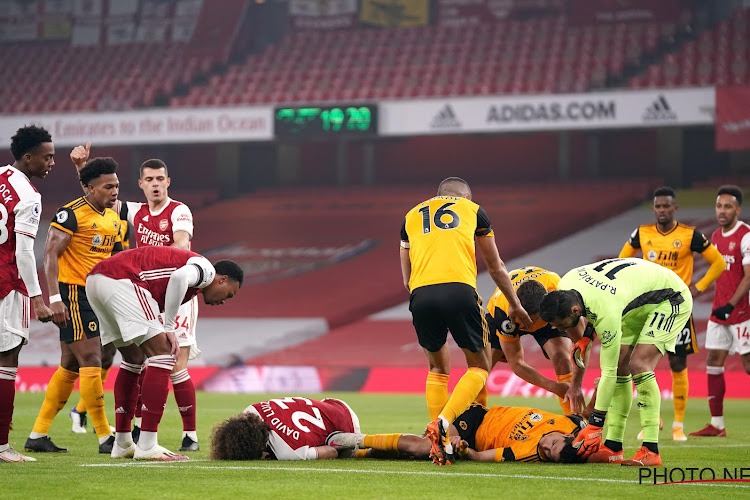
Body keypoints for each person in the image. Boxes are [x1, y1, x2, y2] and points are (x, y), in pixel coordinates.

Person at [70, 144, 200, 453]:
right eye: (149, 179)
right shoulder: (133, 211)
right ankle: (142, 429)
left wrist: (171, 257)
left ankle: (190, 435)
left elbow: (182, 245)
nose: (155, 184)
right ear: (140, 184)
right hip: (146, 296)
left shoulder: (178, 211)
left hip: (177, 293)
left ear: (168, 182)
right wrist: (82, 170)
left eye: (160, 178)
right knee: (141, 360)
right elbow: (96, 199)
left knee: (175, 362)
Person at [399, 177, 532, 465]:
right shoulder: (474, 211)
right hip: (459, 290)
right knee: (480, 366)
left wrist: (420, 296)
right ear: (465, 197)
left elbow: (406, 275)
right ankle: (445, 423)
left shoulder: (411, 216)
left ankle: (437, 439)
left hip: (420, 294)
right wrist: (516, 304)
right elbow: (495, 266)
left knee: (437, 368)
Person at [85, 245, 243, 461]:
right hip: (123, 280)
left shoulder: (194, 285)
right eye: (230, 295)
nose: (224, 300)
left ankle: (122, 442)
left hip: (96, 281)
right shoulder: (205, 270)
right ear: (222, 279)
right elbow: (179, 277)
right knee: (164, 355)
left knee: (133, 359)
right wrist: (169, 326)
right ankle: (148, 444)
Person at [540, 257, 692, 467]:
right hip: (632, 302)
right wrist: (586, 335)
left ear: (574, 311)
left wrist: (595, 424)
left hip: (670, 298)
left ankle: (651, 450)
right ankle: (613, 447)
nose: (558, 329)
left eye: (560, 324)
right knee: (622, 368)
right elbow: (592, 305)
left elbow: (607, 373)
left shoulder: (607, 312)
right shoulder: (566, 285)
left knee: (638, 365)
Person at [25, 157, 122, 455]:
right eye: (108, 187)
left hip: (97, 294)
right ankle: (106, 436)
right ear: (91, 188)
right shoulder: (71, 214)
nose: (115, 191)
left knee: (69, 364)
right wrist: (54, 299)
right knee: (92, 356)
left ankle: (38, 434)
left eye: (117, 185)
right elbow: (50, 254)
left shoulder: (112, 215)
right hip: (73, 293)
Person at [618, 186, 725, 441]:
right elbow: (623, 261)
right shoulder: (641, 234)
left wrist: (697, 288)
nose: (662, 210)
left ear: (675, 208)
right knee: (639, 364)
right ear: (654, 209)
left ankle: (678, 424)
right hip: (647, 308)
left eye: (666, 206)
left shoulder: (690, 235)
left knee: (678, 364)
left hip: (676, 308)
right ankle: (653, 419)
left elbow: (718, 262)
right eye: (658, 206)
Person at [0, 126, 55, 463]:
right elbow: (24, 252)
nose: (51, 163)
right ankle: (1, 446)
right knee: (7, 360)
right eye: (47, 156)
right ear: (28, 156)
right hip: (7, 283)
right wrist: (37, 296)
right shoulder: (29, 196)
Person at [327, 402, 587, 464]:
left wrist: (462, 447)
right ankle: (357, 444)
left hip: (469, 438)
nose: (545, 447)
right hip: (477, 415)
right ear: (566, 436)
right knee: (425, 446)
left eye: (548, 454)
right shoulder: (573, 425)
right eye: (551, 443)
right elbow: (593, 421)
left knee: (422, 449)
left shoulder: (526, 453)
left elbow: (478, 456)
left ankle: (359, 447)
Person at [483, 266, 585, 415]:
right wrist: (554, 387)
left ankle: (575, 421)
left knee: (562, 358)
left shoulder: (559, 293)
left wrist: (575, 384)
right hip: (507, 317)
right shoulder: (504, 312)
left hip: (545, 314)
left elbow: (581, 342)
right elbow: (517, 364)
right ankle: (470, 420)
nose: (526, 326)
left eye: (530, 321)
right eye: (522, 320)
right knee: (481, 370)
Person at [690, 185, 750, 437]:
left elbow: (748, 277)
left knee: (748, 365)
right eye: (719, 206)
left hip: (741, 312)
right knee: (714, 361)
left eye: (727, 206)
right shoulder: (714, 236)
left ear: (738, 209)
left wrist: (731, 304)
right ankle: (717, 424)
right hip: (719, 312)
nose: (722, 211)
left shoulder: (746, 235)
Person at [210, 396, 360, 460]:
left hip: (347, 425)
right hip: (333, 404)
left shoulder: (286, 451)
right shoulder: (251, 410)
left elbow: (332, 452)